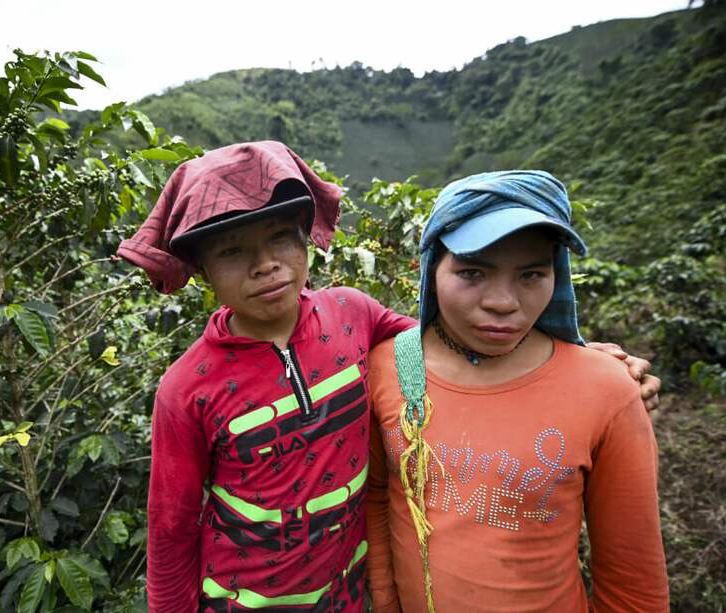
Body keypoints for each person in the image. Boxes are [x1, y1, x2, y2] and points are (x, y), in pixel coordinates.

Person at [116, 143, 662, 612]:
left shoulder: (353, 315)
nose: (265, 265)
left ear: (307, 240)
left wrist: (588, 361)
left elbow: (445, 340)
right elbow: (170, 528)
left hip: (351, 595)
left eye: (282, 238)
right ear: (201, 267)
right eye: (233, 250)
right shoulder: (189, 387)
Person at [365, 170, 669, 612]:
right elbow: (378, 498)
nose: (503, 302)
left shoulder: (606, 390)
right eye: (472, 272)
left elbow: (631, 579)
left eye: (530, 274)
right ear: (433, 268)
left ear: (556, 275)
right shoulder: (388, 368)